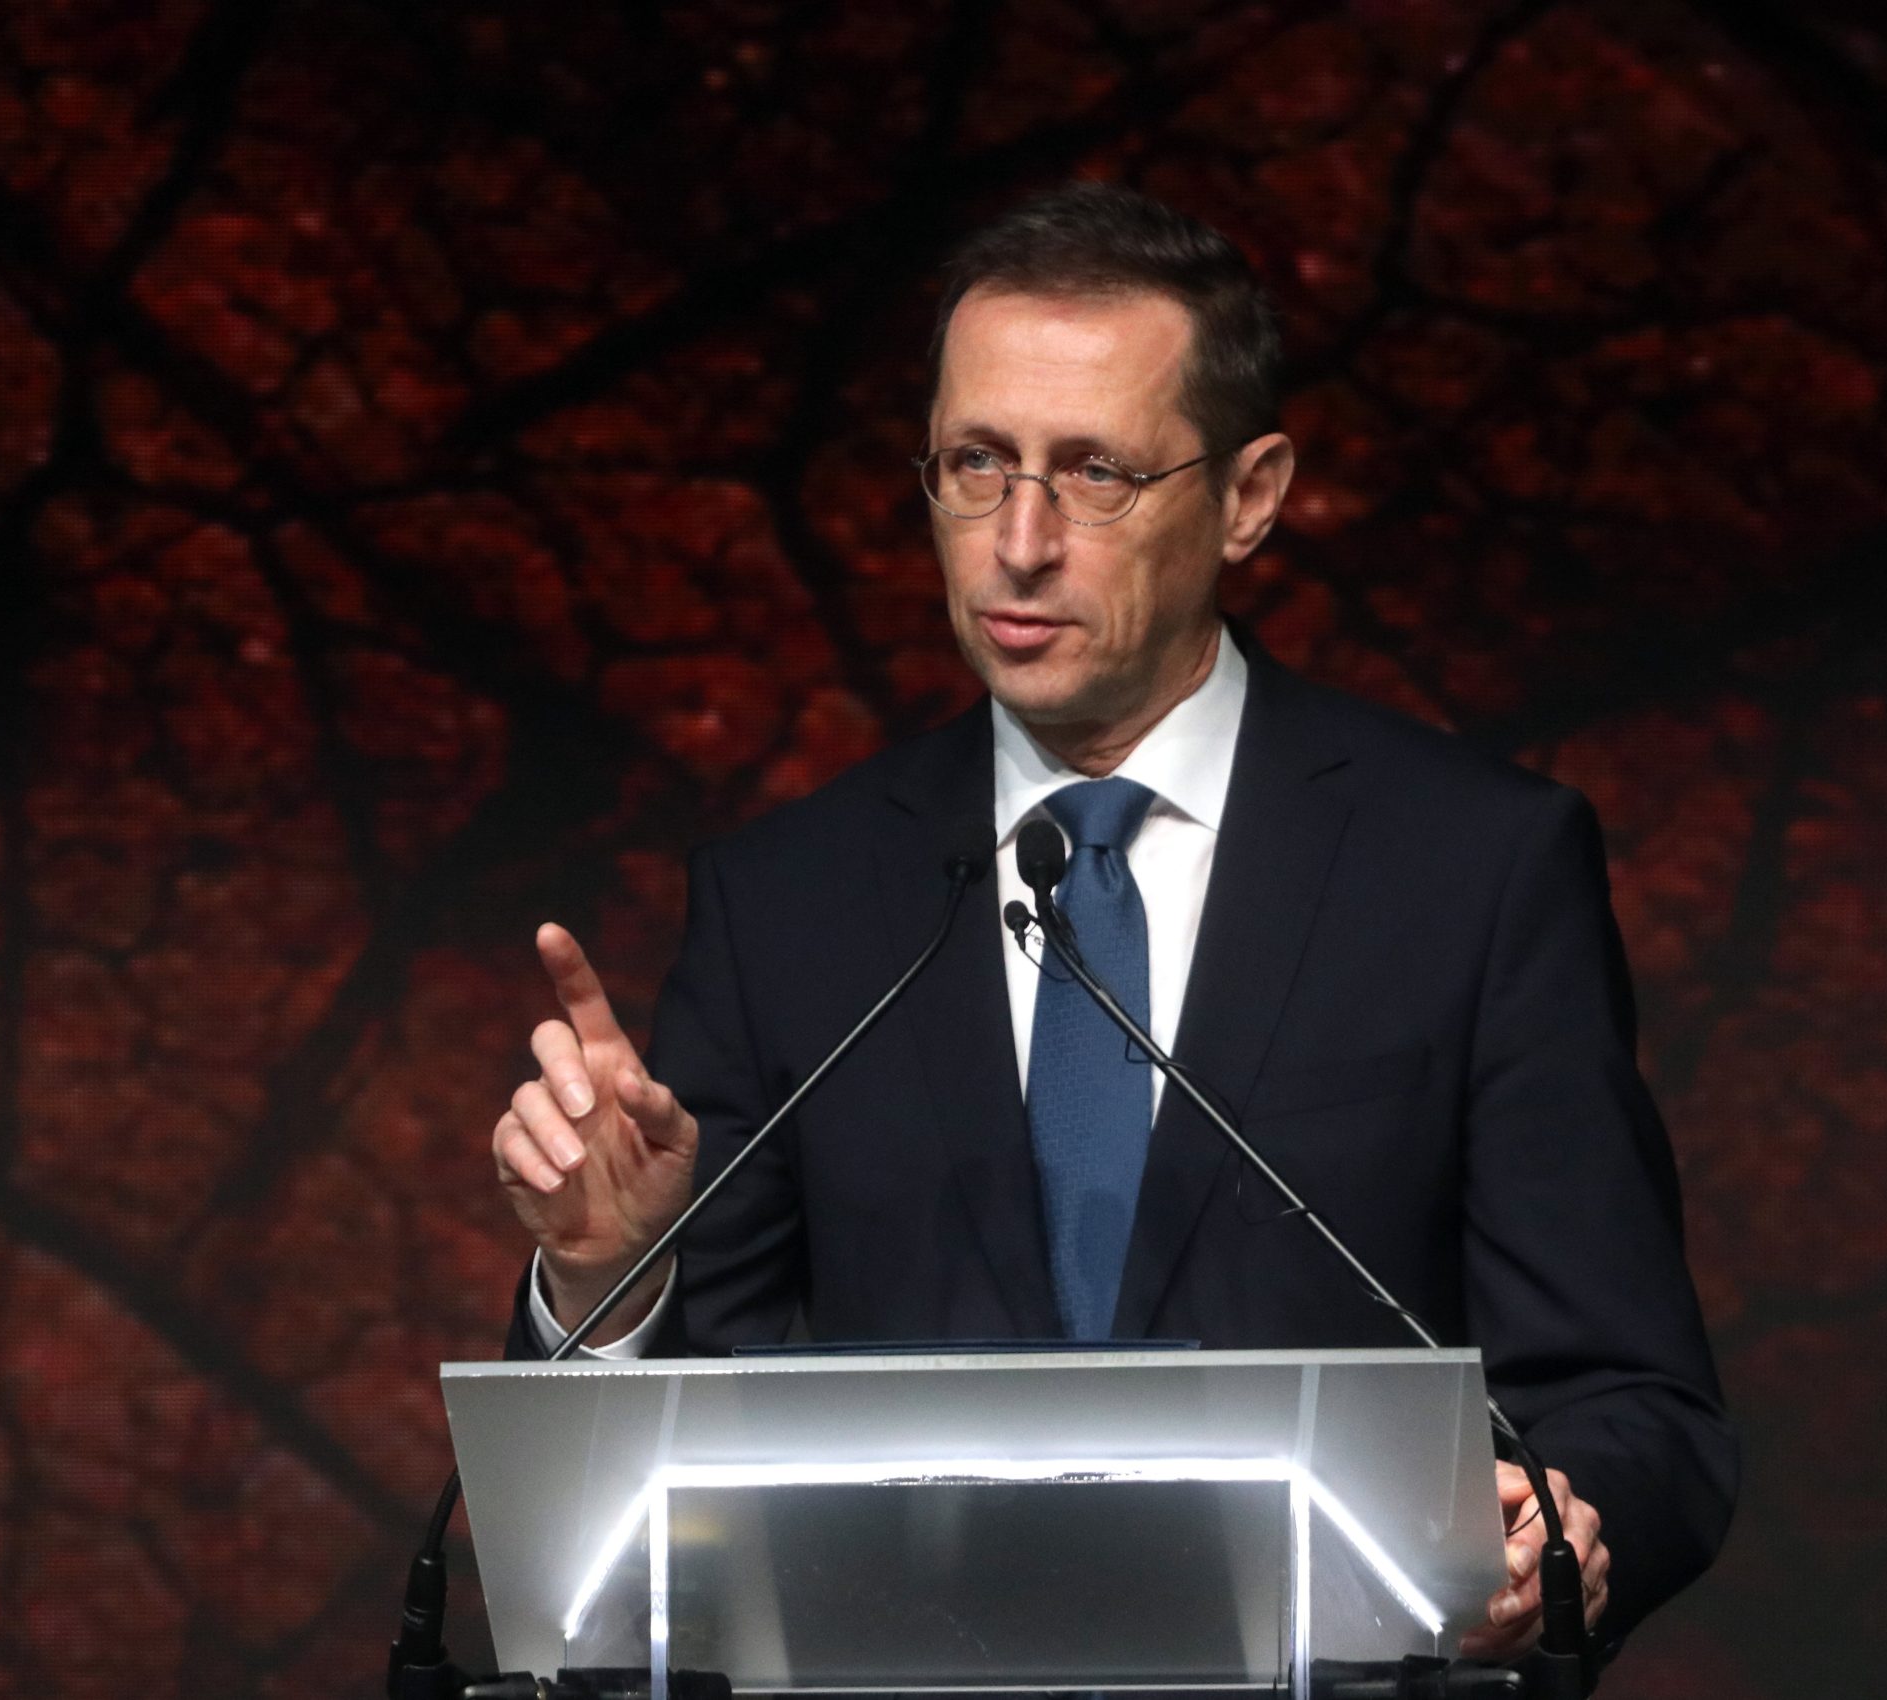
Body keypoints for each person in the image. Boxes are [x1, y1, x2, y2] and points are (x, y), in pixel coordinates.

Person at [487, 182, 1739, 1661]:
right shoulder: (792, 901)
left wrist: (1558, 1537)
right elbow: (671, 1509)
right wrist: (612, 1281)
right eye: (976, 463)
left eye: (1095, 473)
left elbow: (1632, 1407)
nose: (1018, 542)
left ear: (1251, 497)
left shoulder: (1473, 869)